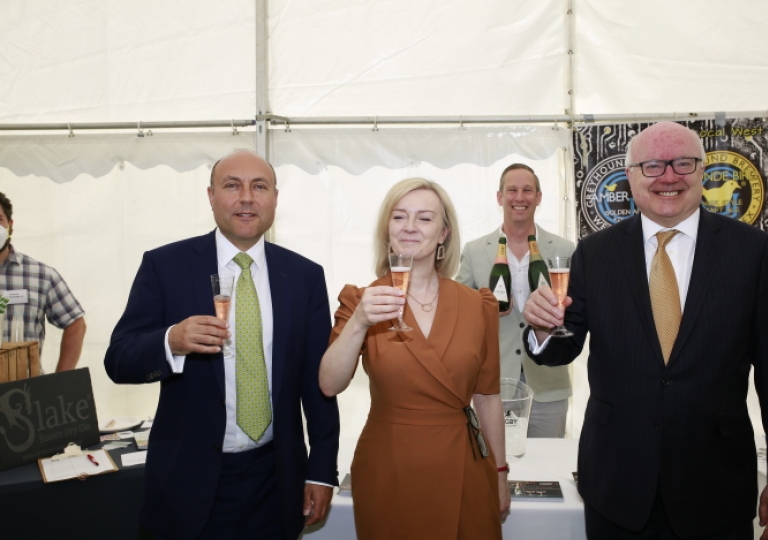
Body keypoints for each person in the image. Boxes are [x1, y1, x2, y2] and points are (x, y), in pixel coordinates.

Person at [522, 121, 768, 540]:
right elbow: (560, 349)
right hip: (616, 483)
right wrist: (541, 327)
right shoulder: (594, 253)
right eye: (653, 165)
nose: (669, 177)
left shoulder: (751, 251)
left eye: (683, 163)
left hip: (716, 484)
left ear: (702, 172)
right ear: (631, 176)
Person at [104, 150, 339, 540]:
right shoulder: (166, 266)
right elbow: (118, 359)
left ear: (275, 199)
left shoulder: (303, 276)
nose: (246, 197)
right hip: (188, 482)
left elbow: (319, 385)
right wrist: (171, 342)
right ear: (211, 196)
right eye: (232, 185)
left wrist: (321, 470)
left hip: (275, 480)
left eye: (259, 186)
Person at [319, 178, 510, 539]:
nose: (409, 227)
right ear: (386, 229)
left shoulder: (476, 305)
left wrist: (499, 472)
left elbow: (487, 397)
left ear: (443, 234)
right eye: (399, 217)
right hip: (390, 466)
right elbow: (329, 383)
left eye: (424, 218)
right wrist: (359, 321)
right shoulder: (360, 300)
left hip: (464, 464)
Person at [457, 164, 574, 437]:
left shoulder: (565, 249)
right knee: (496, 467)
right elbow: (456, 313)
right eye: (512, 190)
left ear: (539, 197)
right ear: (500, 197)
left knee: (548, 468)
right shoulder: (474, 251)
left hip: (549, 386)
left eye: (527, 190)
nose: (519, 198)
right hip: (493, 384)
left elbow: (578, 311)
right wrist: (485, 311)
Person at [0, 192, 86, 372]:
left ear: (10, 225)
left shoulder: (40, 275)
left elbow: (76, 324)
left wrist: (60, 381)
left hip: (24, 392)